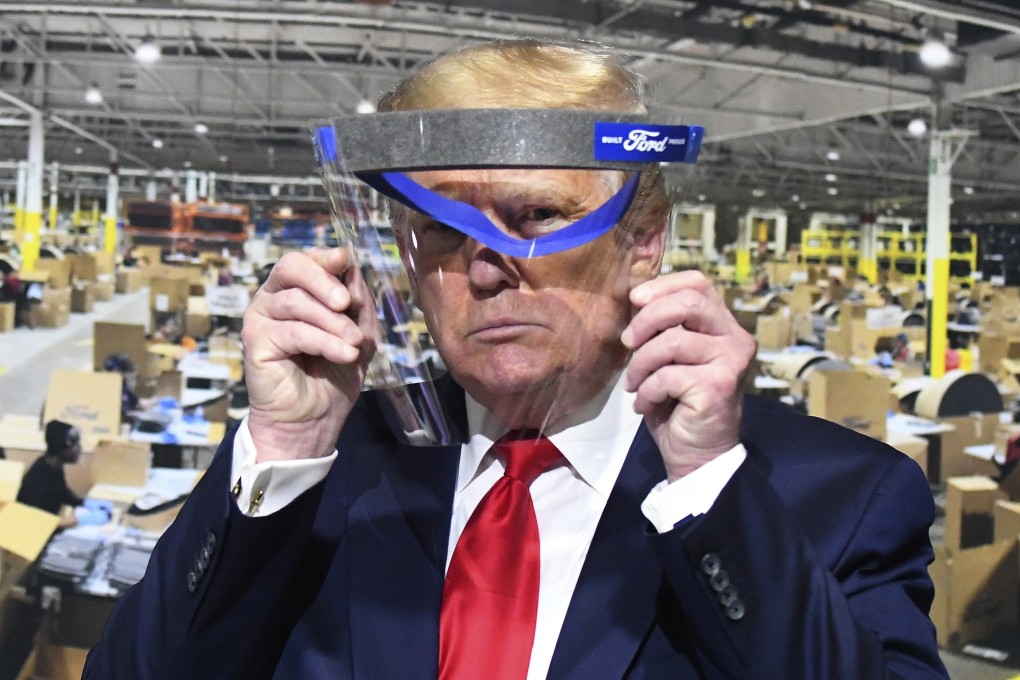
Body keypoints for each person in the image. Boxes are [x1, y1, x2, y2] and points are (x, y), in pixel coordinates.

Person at [85, 41, 946, 679]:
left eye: (535, 216)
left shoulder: (838, 498)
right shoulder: (326, 471)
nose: (486, 270)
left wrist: (707, 491)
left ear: (644, 241)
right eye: (440, 230)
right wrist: (283, 447)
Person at [16, 420, 84, 520]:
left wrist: (84, 503)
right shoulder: (39, 478)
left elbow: (63, 492)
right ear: (61, 449)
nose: (79, 448)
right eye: (74, 444)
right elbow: (37, 519)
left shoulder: (54, 467)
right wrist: (78, 520)